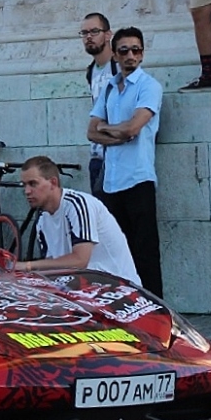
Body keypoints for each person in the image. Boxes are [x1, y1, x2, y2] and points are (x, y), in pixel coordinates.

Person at [87, 26, 164, 298]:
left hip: (138, 178)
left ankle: (156, 310)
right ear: (115, 56)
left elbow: (133, 129)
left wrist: (111, 129)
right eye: (124, 50)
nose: (131, 55)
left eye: (136, 50)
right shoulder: (108, 88)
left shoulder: (149, 86)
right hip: (111, 181)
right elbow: (91, 131)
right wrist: (117, 132)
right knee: (116, 253)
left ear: (142, 54)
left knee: (145, 253)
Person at [16, 156, 140, 283]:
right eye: (24, 185)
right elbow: (52, 267)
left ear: (53, 182)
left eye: (33, 184)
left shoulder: (78, 204)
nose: (27, 191)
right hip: (80, 287)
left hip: (116, 287)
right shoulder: (42, 220)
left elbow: (80, 260)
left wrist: (28, 266)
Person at [80, 13, 116, 196]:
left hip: (118, 157)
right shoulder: (91, 70)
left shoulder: (119, 67)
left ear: (108, 34)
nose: (88, 37)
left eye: (94, 31)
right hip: (97, 157)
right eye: (84, 33)